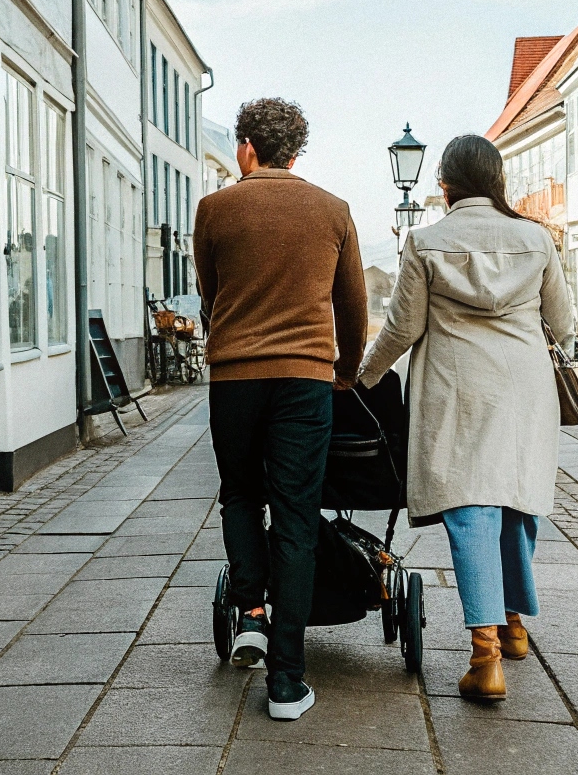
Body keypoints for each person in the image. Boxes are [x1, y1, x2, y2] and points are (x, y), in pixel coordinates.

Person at [357, 134, 573, 701]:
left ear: (445, 185)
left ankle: (486, 658)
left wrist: (362, 376)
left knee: (471, 510)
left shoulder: (426, 241)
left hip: (456, 388)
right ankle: (514, 624)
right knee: (517, 498)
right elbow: (564, 323)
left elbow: (402, 329)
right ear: (498, 181)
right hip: (524, 389)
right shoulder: (536, 239)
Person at [192, 97, 369, 721]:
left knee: (241, 494)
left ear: (246, 146)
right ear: (297, 151)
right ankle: (288, 682)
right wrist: (345, 371)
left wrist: (237, 335)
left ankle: (252, 614)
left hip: (234, 378)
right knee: (295, 515)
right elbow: (352, 308)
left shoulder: (214, 209)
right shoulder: (333, 211)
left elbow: (210, 294)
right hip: (304, 381)